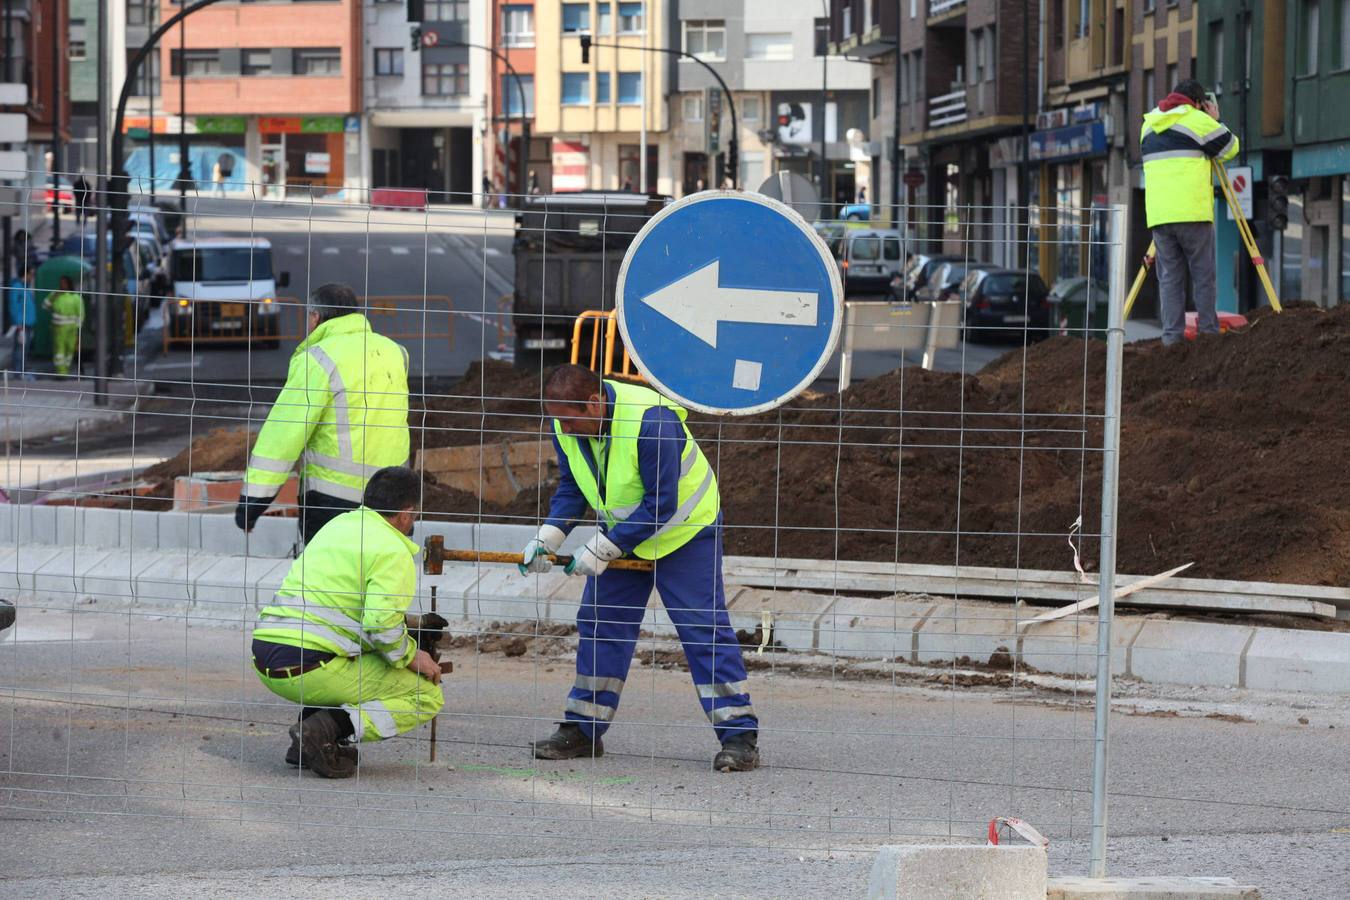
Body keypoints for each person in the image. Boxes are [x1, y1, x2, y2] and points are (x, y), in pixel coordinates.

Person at [521, 365, 760, 773]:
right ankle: (584, 728)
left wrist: (604, 546)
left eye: (569, 418)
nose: (562, 426)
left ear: (595, 402)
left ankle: (739, 735)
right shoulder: (567, 423)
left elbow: (662, 503)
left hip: (685, 533)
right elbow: (573, 487)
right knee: (600, 624)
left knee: (703, 629)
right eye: (556, 417)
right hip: (625, 533)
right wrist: (550, 535)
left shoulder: (652, 420)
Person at [252, 466, 444, 778]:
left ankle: (306, 740)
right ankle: (320, 732)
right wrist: (412, 656)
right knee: (425, 695)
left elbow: (343, 608)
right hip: (311, 668)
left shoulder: (338, 525)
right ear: (407, 514)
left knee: (352, 652)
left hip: (267, 658)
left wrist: (407, 624)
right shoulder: (393, 548)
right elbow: (380, 624)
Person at [234, 282, 410, 545]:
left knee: (329, 581)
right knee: (383, 574)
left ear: (315, 316)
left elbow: (284, 435)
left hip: (334, 501)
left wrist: (252, 504)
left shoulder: (316, 359)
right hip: (393, 498)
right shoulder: (395, 352)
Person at [1140, 78, 1239, 345]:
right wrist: (1215, 120)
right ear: (1197, 103)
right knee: (1203, 275)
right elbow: (1230, 148)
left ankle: (1171, 338)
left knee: (1170, 279)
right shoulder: (1197, 120)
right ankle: (1207, 334)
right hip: (1192, 213)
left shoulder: (1148, 125)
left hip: (1160, 216)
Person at [44, 275, 84, 376]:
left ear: (69, 284)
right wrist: (54, 297)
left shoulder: (75, 297)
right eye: (61, 283)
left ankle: (65, 369)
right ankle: (61, 372)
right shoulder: (55, 294)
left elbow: (81, 315)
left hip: (71, 329)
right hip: (58, 328)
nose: (62, 285)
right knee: (59, 350)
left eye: (64, 283)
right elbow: (45, 305)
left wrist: (79, 330)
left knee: (69, 350)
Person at [6, 269, 38, 380]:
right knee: (19, 349)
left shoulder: (26, 287)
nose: (33, 276)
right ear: (26, 273)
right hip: (21, 324)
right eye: (31, 274)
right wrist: (17, 322)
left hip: (27, 323)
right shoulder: (17, 287)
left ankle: (22, 370)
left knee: (25, 348)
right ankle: (18, 372)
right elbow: (13, 305)